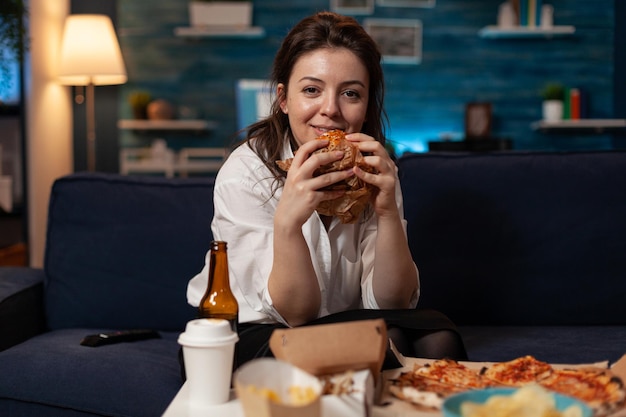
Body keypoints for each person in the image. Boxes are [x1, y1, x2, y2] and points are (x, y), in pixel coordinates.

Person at [187, 11, 467, 369]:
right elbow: (297, 313)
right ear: (284, 99)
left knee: (437, 335)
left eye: (351, 93)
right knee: (384, 342)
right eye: (311, 90)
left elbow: (392, 302)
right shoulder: (246, 173)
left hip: (342, 325)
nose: (331, 110)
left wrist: (387, 214)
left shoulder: (374, 168)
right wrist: (289, 221)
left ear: (365, 108)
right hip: (247, 333)